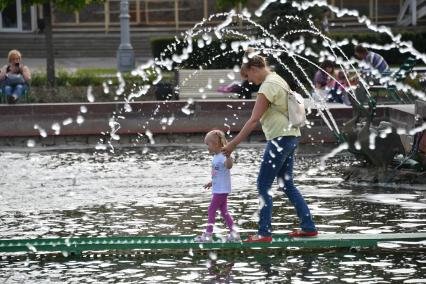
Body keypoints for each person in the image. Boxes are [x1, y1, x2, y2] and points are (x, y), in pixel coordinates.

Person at [222, 50, 317, 243]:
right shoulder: (277, 79)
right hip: (290, 136)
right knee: (286, 184)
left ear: (254, 68)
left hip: (280, 138)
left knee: (263, 184)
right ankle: (308, 227)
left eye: (248, 75)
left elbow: (253, 120)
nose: (249, 80)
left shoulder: (268, 86)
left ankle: (264, 233)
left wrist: (232, 144)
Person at [195, 129, 240, 243]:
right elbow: (219, 173)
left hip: (221, 190)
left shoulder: (223, 156)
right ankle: (234, 234)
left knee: (211, 210)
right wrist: (211, 182)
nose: (207, 147)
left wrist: (229, 156)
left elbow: (229, 166)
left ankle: (208, 235)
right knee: (224, 212)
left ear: (215, 144)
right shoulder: (216, 156)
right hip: (218, 188)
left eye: (208, 144)